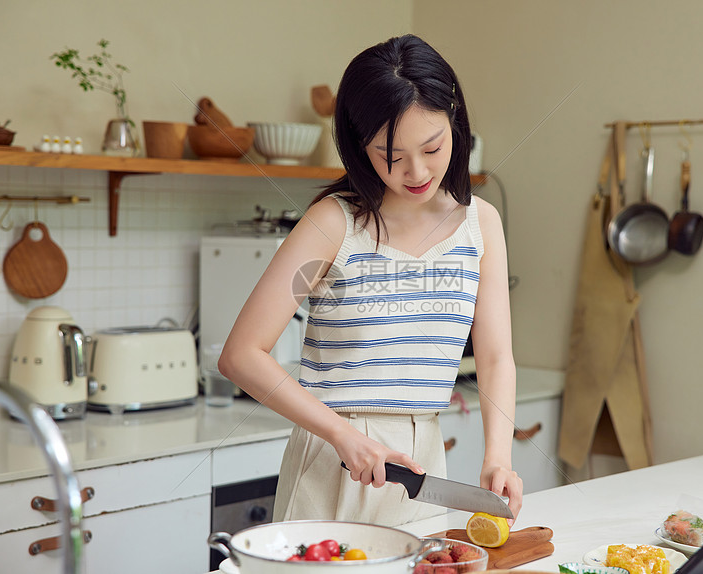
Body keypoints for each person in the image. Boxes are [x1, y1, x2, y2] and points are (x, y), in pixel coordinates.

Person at [218, 34, 522, 527]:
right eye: (391, 155)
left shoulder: (480, 224)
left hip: (424, 464)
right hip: (335, 462)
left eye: (432, 147)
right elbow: (241, 355)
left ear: (456, 124)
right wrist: (342, 435)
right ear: (360, 146)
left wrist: (498, 457)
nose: (417, 171)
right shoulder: (332, 224)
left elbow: (494, 357)